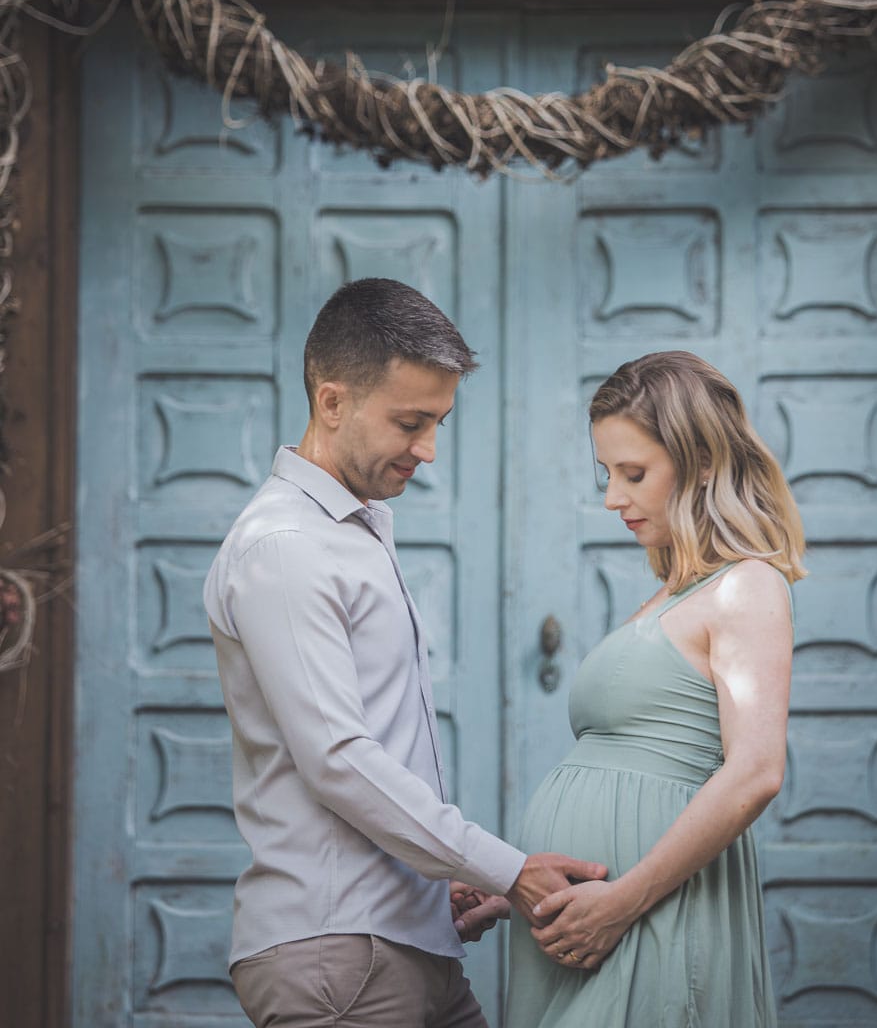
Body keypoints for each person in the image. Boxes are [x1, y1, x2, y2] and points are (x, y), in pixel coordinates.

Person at [204, 278, 605, 1028]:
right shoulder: (285, 546)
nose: (427, 449)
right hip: (339, 959)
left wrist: (431, 886)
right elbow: (338, 758)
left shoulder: (349, 531)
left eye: (437, 423)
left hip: (403, 940)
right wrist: (508, 870)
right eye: (410, 423)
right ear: (332, 402)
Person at [504, 351, 805, 1028]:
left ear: (703, 462)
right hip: (593, 919)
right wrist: (514, 889)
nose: (613, 498)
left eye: (634, 474)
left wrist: (623, 900)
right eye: (607, 474)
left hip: (652, 914)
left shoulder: (747, 585)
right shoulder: (673, 593)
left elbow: (756, 772)